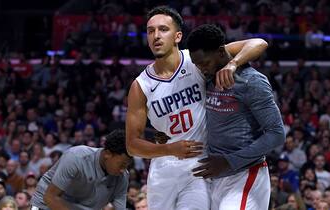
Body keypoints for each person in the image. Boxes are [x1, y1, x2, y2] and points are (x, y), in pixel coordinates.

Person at [126, 6, 269, 210]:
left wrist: (232, 64)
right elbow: (132, 145)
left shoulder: (196, 62)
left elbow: (258, 43)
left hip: (198, 168)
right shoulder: (140, 86)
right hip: (163, 169)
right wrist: (168, 148)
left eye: (163, 29)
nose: (156, 36)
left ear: (177, 36)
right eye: (150, 31)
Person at [187, 24, 285, 210]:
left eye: (205, 63)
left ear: (221, 52)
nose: (202, 69)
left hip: (245, 174)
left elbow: (276, 134)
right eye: (197, 65)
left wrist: (229, 161)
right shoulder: (209, 75)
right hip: (215, 176)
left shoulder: (251, 81)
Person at [30, 129, 132, 210]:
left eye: (127, 165)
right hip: (46, 204)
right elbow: (50, 197)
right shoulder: (76, 157)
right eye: (121, 164)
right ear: (107, 154)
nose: (123, 170)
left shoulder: (122, 177)